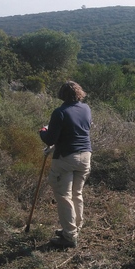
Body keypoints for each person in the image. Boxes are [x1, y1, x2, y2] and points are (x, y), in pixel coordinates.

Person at [39, 81, 92, 249]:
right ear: (79, 93)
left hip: (66, 159)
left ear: (61, 94)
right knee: (76, 193)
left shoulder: (60, 112)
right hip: (85, 156)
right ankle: (74, 228)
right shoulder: (86, 109)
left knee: (64, 196)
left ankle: (69, 236)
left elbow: (50, 139)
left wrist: (43, 131)